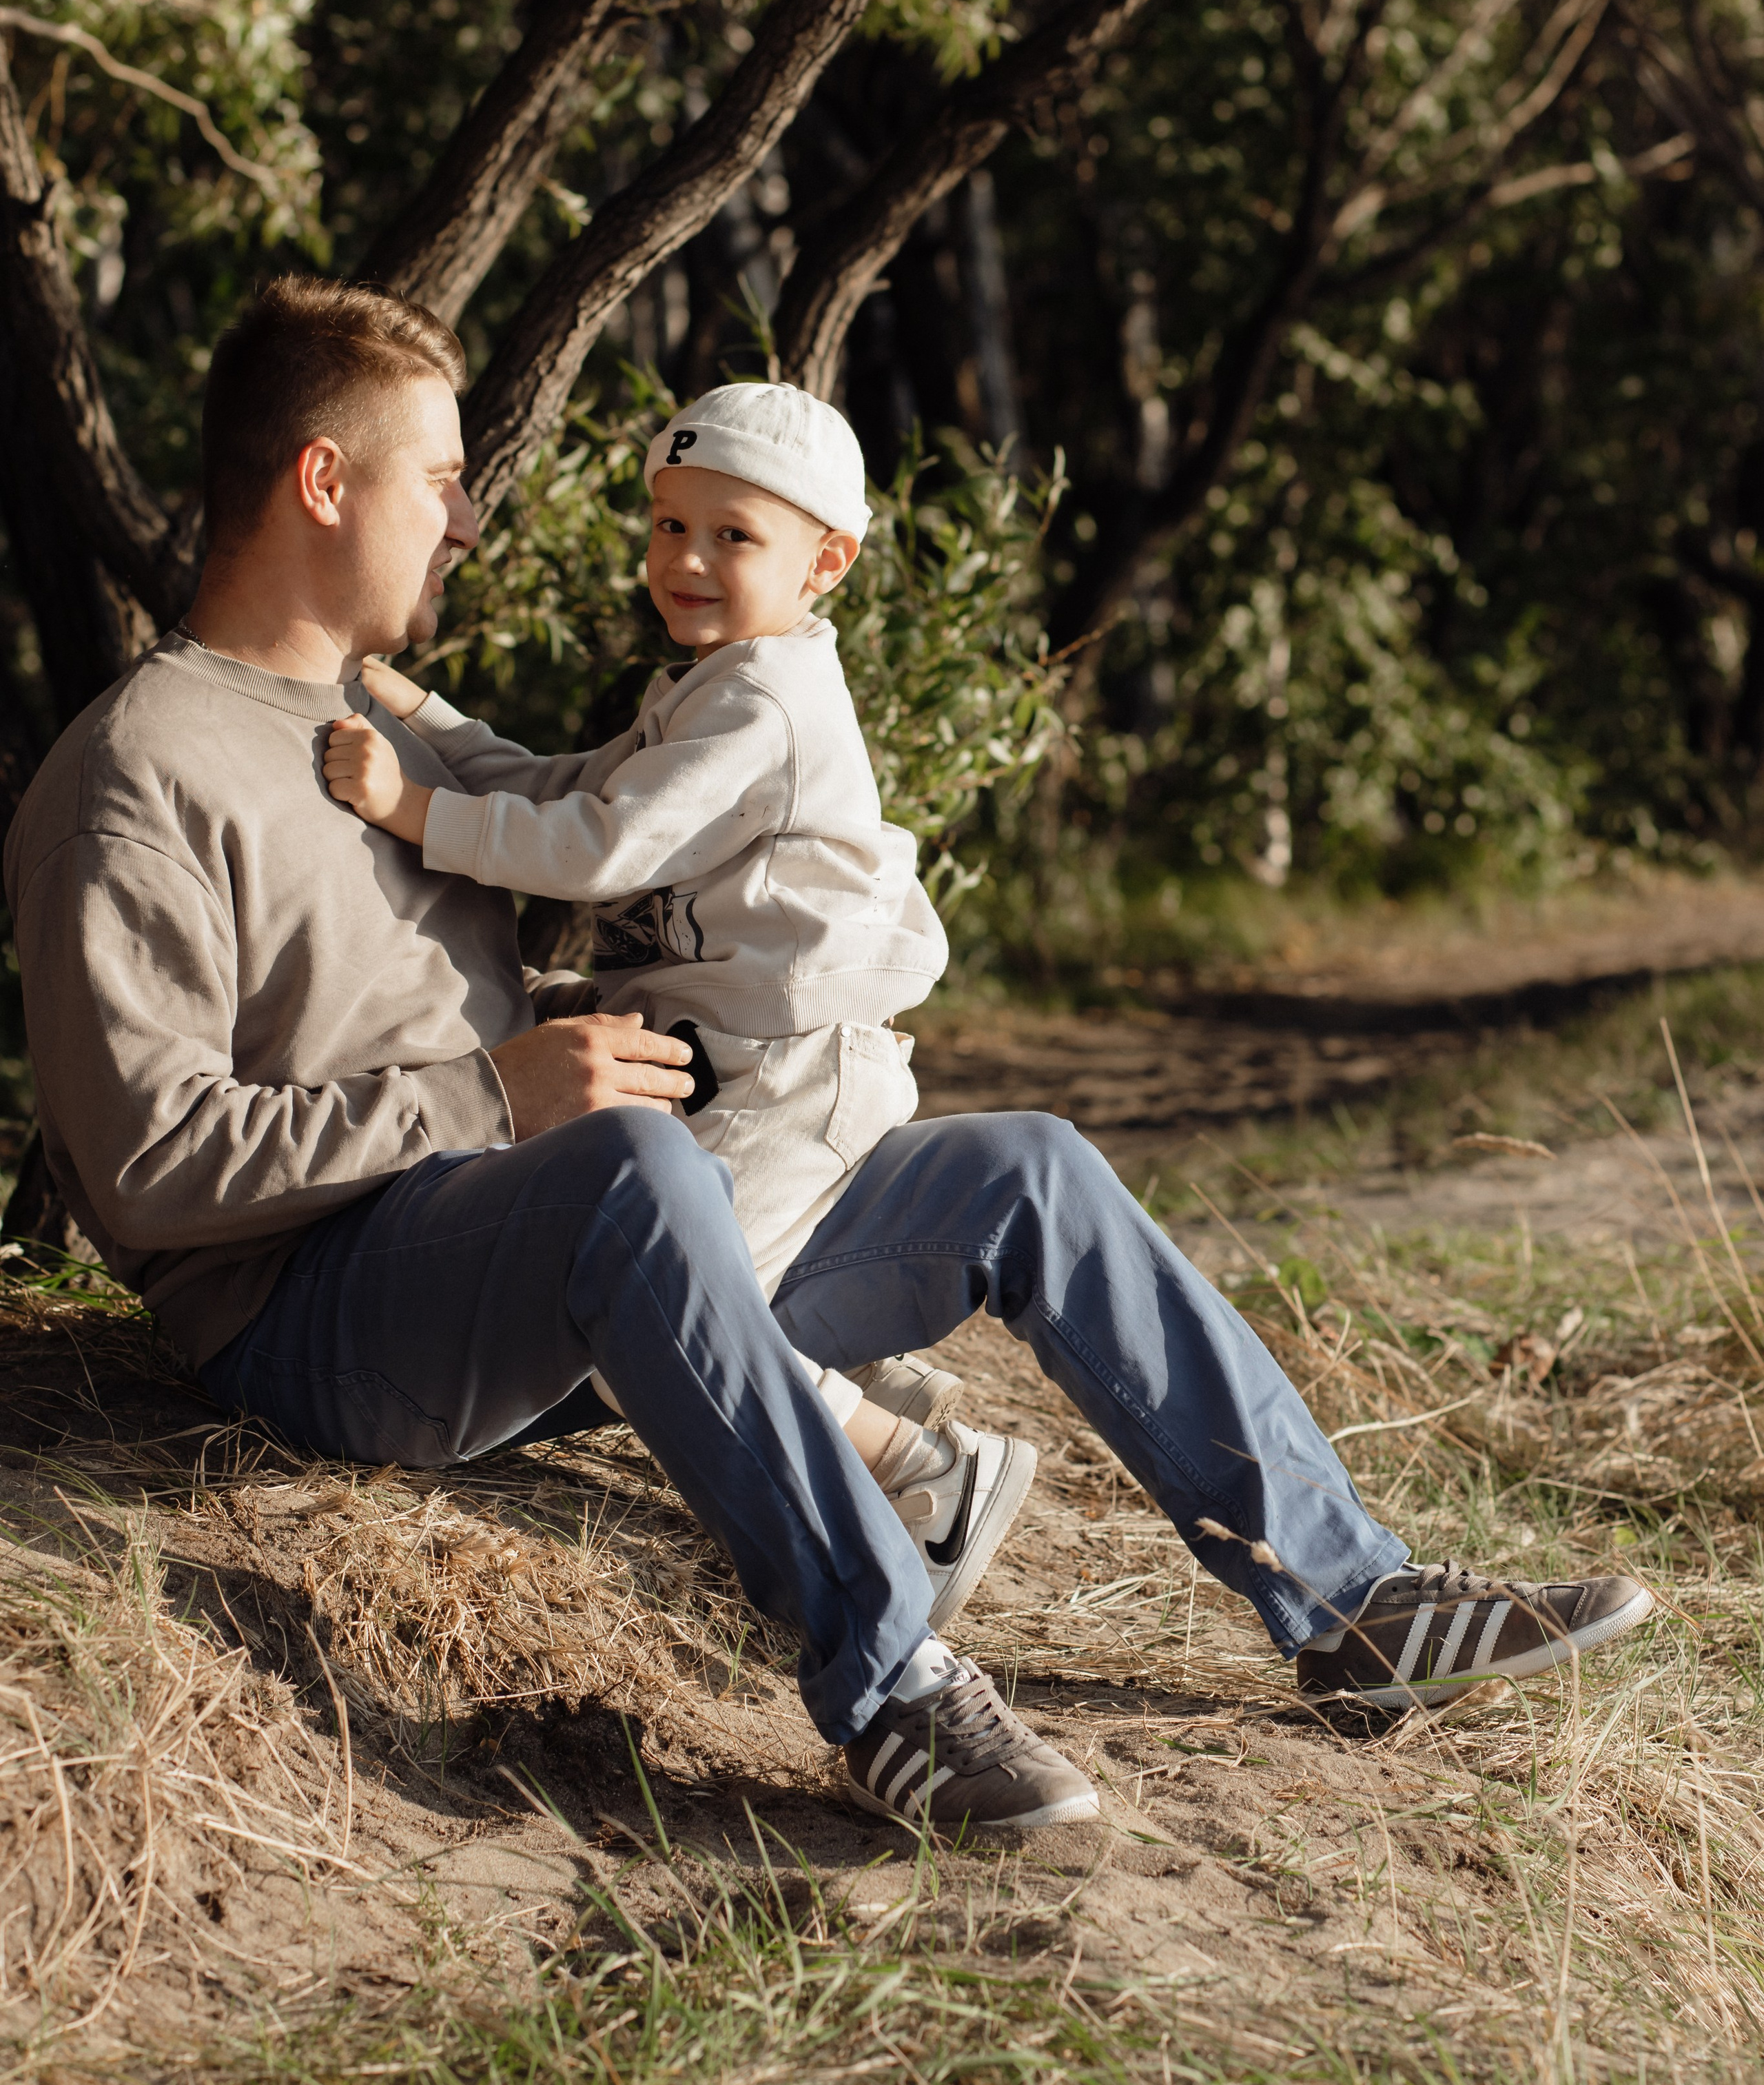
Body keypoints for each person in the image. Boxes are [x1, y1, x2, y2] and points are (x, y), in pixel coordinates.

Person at [3, 278, 1657, 1840]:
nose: (463, 516)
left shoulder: (398, 728)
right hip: (333, 1317)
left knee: (1025, 1170)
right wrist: (493, 1099)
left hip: (561, 1255)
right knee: (630, 1175)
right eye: (438, 478)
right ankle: (890, 1691)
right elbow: (147, 1174)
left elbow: (581, 834)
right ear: (320, 479)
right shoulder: (138, 773)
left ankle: (1349, 1600)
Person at [319, 379, 1031, 1628]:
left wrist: (411, 809)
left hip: (794, 1066)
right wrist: (425, 717)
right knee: (683, 1288)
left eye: (733, 536)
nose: (686, 560)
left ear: (829, 562)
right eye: (667, 525)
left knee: (696, 1321)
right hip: (738, 1059)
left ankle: (933, 1480)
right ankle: (883, 1399)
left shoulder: (764, 702)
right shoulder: (711, 684)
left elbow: (595, 844)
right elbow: (569, 782)